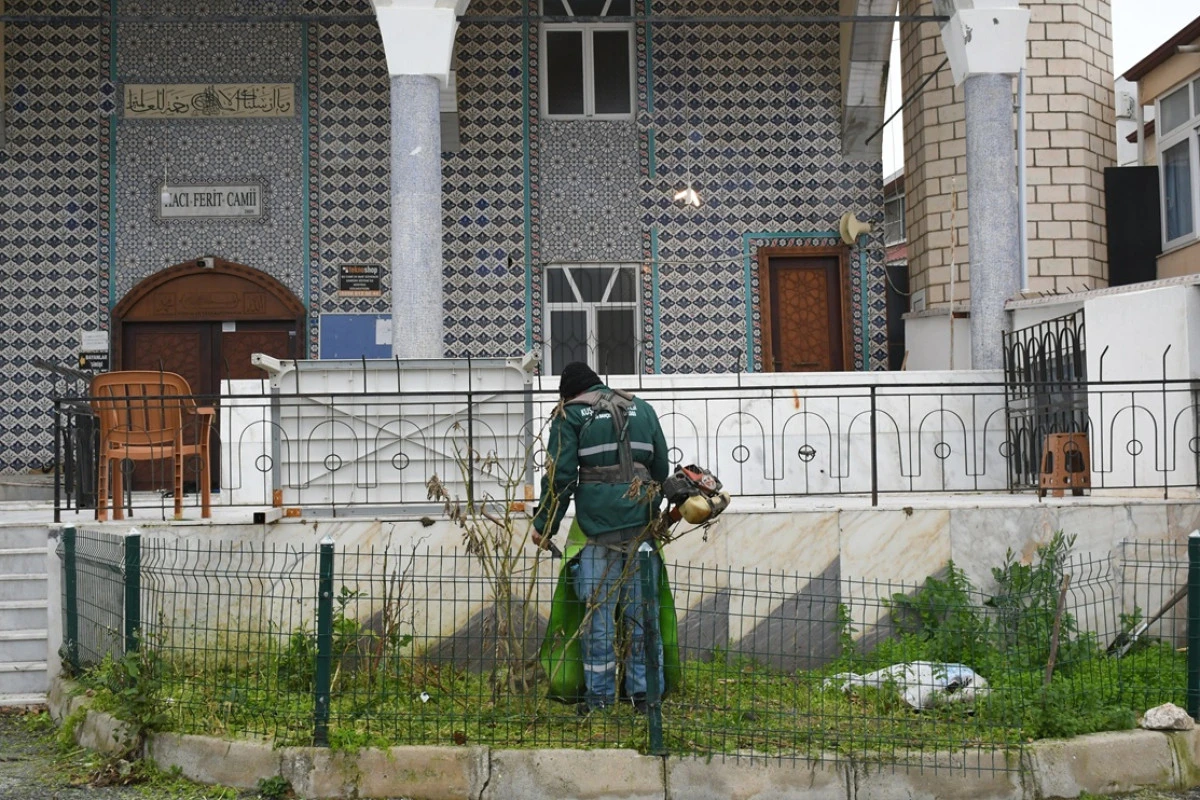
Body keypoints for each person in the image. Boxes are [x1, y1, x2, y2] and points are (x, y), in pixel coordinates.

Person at [532, 362, 671, 715]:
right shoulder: (643, 408)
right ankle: (645, 696)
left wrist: (544, 525)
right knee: (643, 619)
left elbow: (560, 479)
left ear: (569, 394)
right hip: (642, 534)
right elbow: (661, 470)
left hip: (598, 537)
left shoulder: (571, 416)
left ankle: (600, 701)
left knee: (598, 622)